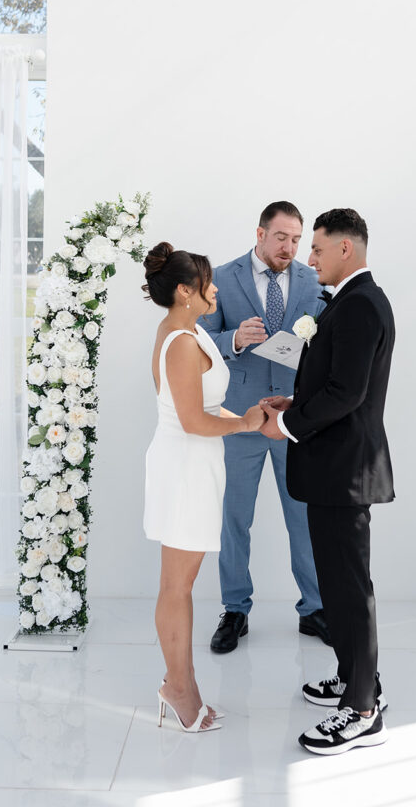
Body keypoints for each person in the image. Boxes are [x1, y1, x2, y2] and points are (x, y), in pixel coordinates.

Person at [260, 208, 395, 755]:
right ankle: (354, 678)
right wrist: (296, 402)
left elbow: (349, 394)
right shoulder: (351, 301)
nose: (307, 258)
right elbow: (334, 383)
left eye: (316, 249)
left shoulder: (361, 304)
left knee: (348, 588)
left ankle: (363, 711)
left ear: (346, 249)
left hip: (345, 471)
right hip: (332, 467)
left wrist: (287, 425)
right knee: (338, 586)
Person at [143, 242, 266, 733]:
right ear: (184, 292)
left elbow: (209, 412)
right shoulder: (181, 341)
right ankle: (178, 689)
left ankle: (183, 687)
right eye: (207, 282)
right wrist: (247, 425)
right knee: (177, 587)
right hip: (184, 468)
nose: (215, 288)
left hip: (197, 466)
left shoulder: (188, 331)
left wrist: (256, 420)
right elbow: (194, 421)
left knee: (183, 586)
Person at [199, 201, 331, 652]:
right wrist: (234, 339)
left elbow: (324, 344)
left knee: (304, 518)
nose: (290, 248)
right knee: (234, 519)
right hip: (240, 419)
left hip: (295, 420)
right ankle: (235, 610)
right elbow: (197, 342)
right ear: (259, 234)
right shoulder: (222, 276)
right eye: (281, 238)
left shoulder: (314, 280)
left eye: (297, 240)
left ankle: (314, 609)